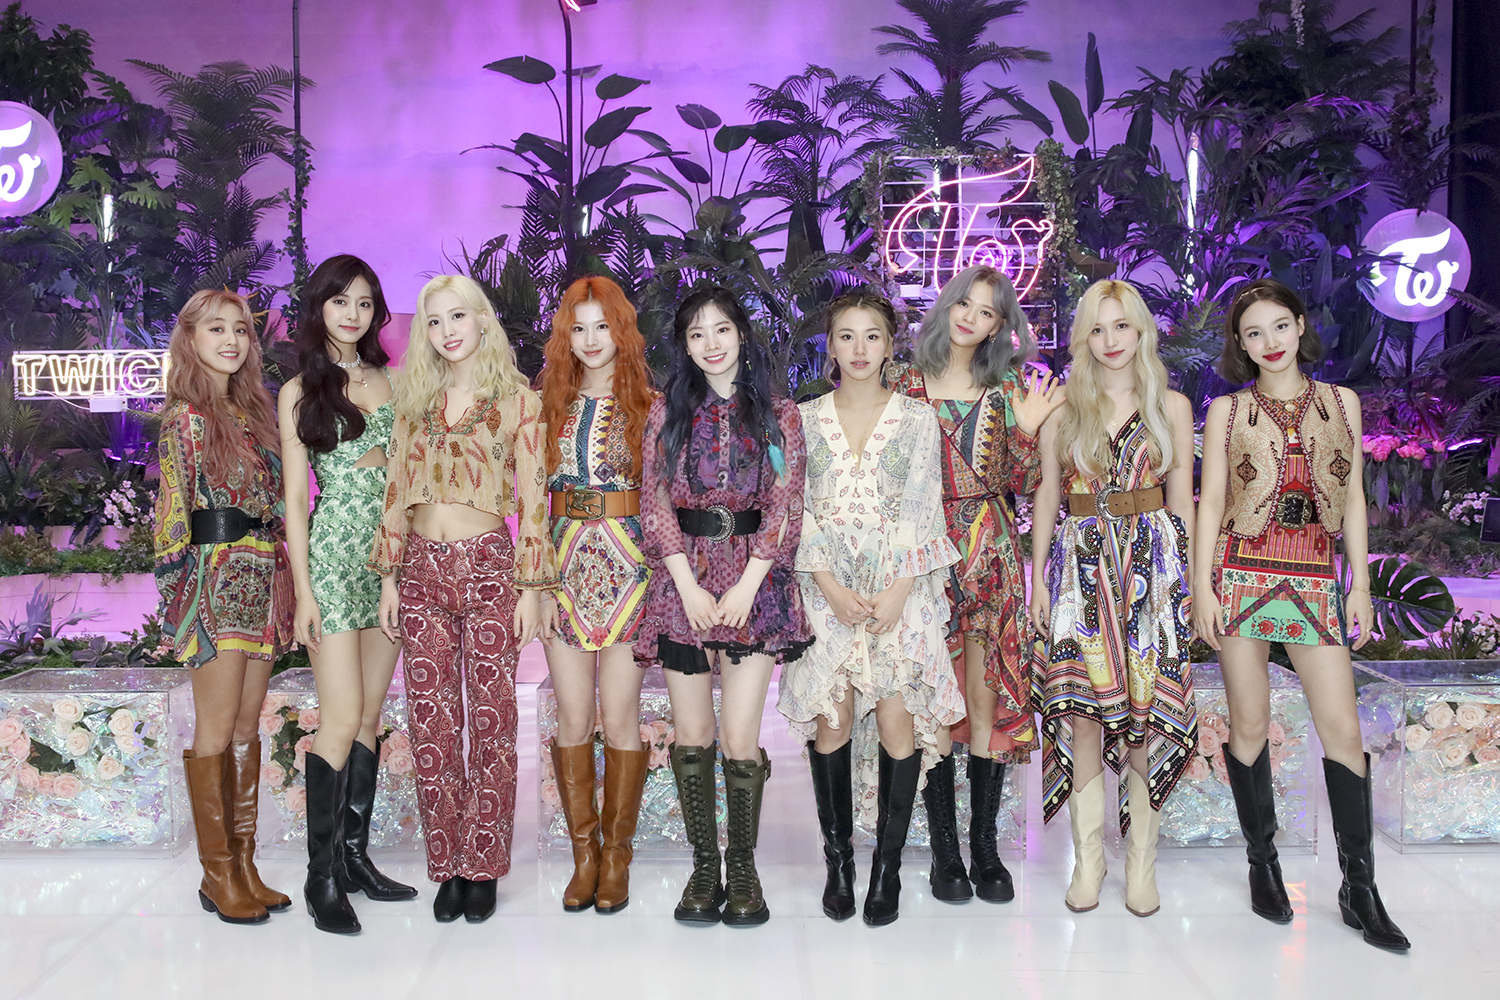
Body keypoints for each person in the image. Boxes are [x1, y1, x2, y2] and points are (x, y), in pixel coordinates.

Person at [1194, 278, 1408, 952]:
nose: (1270, 343)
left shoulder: (1342, 402)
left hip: (1314, 572)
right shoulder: (1227, 410)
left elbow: (1353, 498)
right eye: (1253, 333)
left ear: (1300, 325)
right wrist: (1203, 587)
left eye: (1279, 326)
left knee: (1342, 729)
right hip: (1241, 571)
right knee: (1250, 725)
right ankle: (1263, 865)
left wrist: (1360, 583)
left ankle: (1359, 887)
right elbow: (1210, 501)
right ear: (1241, 344)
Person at [371, 275, 555, 924]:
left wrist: (531, 589)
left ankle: (484, 865)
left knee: (492, 720)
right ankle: (447, 861)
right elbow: (396, 491)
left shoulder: (518, 402)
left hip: (489, 569)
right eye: (434, 320)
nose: (447, 330)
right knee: (432, 722)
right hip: (421, 569)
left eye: (458, 316)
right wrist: (389, 577)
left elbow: (535, 499)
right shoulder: (413, 402)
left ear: (481, 321)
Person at [779, 291, 963, 925]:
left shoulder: (917, 418)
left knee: (895, 726)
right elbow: (795, 507)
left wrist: (901, 588)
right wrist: (828, 585)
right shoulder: (803, 419)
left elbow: (923, 505)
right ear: (830, 346)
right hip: (826, 591)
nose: (859, 349)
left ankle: (887, 867)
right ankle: (839, 863)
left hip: (898, 593)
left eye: (873, 336)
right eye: (847, 336)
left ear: (891, 345)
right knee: (831, 723)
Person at [886, 265, 1063, 903]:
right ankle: (945, 853)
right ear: (945, 306)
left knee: (985, 698)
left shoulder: (1011, 387)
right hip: (920, 555)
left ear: (999, 327)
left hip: (990, 551)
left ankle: (984, 846)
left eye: (987, 311)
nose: (971, 317)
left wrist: (1028, 428)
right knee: (932, 698)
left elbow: (1025, 482)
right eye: (964, 303)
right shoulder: (902, 382)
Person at [635, 286, 809, 926]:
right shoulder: (665, 412)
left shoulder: (779, 414)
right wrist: (685, 584)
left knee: (739, 736)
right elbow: (654, 500)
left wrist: (748, 584)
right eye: (696, 333)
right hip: (683, 583)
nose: (711, 344)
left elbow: (786, 502)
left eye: (721, 330)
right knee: (693, 735)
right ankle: (704, 867)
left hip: (752, 588)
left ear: (741, 334)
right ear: (684, 346)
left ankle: (743, 866)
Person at [1030, 278, 1197, 918]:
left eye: (1121, 326)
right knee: (1084, 712)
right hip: (1081, 570)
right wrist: (1037, 579)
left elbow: (1182, 501)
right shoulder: (1065, 409)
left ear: (1141, 330)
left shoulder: (1172, 407)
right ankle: (1089, 862)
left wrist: (1186, 584)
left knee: (1143, 716)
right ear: (1082, 338)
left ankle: (1141, 865)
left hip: (1152, 572)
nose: (1110, 340)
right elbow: (1048, 496)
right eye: (1097, 329)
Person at [279, 255, 415, 935]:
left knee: (367, 718)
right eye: (341, 302)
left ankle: (355, 858)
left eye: (365, 303)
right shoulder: (300, 390)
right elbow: (295, 502)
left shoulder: (396, 382)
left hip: (390, 560)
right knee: (339, 718)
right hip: (333, 558)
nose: (353, 314)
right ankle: (320, 877)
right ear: (320, 308)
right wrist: (304, 592)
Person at [154, 288, 293, 925]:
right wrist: (181, 602)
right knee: (215, 728)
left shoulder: (254, 412)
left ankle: (243, 864)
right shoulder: (184, 418)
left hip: (262, 577)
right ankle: (216, 874)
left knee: (245, 725)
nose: (232, 340)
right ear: (190, 339)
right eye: (217, 329)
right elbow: (171, 515)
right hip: (213, 581)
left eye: (240, 329)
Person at [537, 275, 657, 914]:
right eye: (577, 328)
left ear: (621, 331)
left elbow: (663, 500)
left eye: (601, 327)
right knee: (573, 717)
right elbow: (532, 502)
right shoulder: (546, 405)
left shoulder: (649, 405)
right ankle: (583, 856)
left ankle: (617, 857)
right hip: (564, 572)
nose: (589, 339)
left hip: (631, 571)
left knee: (621, 716)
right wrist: (535, 583)